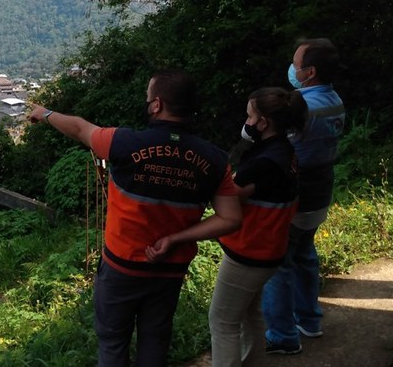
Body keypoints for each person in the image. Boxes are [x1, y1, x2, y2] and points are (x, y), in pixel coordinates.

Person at [28, 69, 242, 367]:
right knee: (155, 342)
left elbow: (79, 128)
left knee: (113, 343)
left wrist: (45, 112)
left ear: (157, 105)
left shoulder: (123, 142)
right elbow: (231, 219)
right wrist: (175, 239)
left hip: (121, 268)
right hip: (170, 269)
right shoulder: (215, 160)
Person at [148, 87, 308, 367]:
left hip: (250, 253)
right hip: (271, 249)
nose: (246, 122)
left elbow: (226, 198)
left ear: (263, 122)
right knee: (249, 314)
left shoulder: (263, 163)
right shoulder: (284, 151)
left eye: (249, 116)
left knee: (222, 321)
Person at [261, 38, 346, 354]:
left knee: (277, 263)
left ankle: (282, 335)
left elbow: (267, 138)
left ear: (309, 72)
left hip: (294, 193)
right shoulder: (334, 100)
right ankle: (309, 319)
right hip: (321, 190)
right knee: (304, 254)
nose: (292, 69)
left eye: (296, 65)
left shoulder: (301, 108)